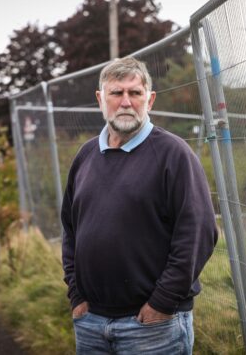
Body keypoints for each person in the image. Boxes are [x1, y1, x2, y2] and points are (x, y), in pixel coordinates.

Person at [61, 56, 218, 355]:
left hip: (151, 327)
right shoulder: (85, 156)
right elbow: (70, 229)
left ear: (150, 99)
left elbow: (197, 235)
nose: (126, 102)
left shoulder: (174, 155)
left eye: (135, 93)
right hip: (91, 321)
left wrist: (161, 303)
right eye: (116, 93)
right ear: (100, 99)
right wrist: (75, 294)